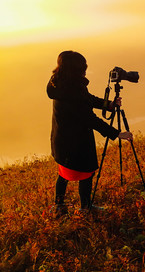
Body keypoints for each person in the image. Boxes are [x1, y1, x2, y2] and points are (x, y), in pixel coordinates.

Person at [47, 51, 133, 214]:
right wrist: (117, 134)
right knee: (86, 171)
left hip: (61, 139)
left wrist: (108, 105)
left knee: (63, 171)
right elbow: (89, 118)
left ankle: (59, 206)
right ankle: (86, 208)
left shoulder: (60, 83)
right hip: (76, 141)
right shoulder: (73, 90)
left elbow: (87, 99)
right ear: (75, 70)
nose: (85, 71)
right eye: (82, 68)